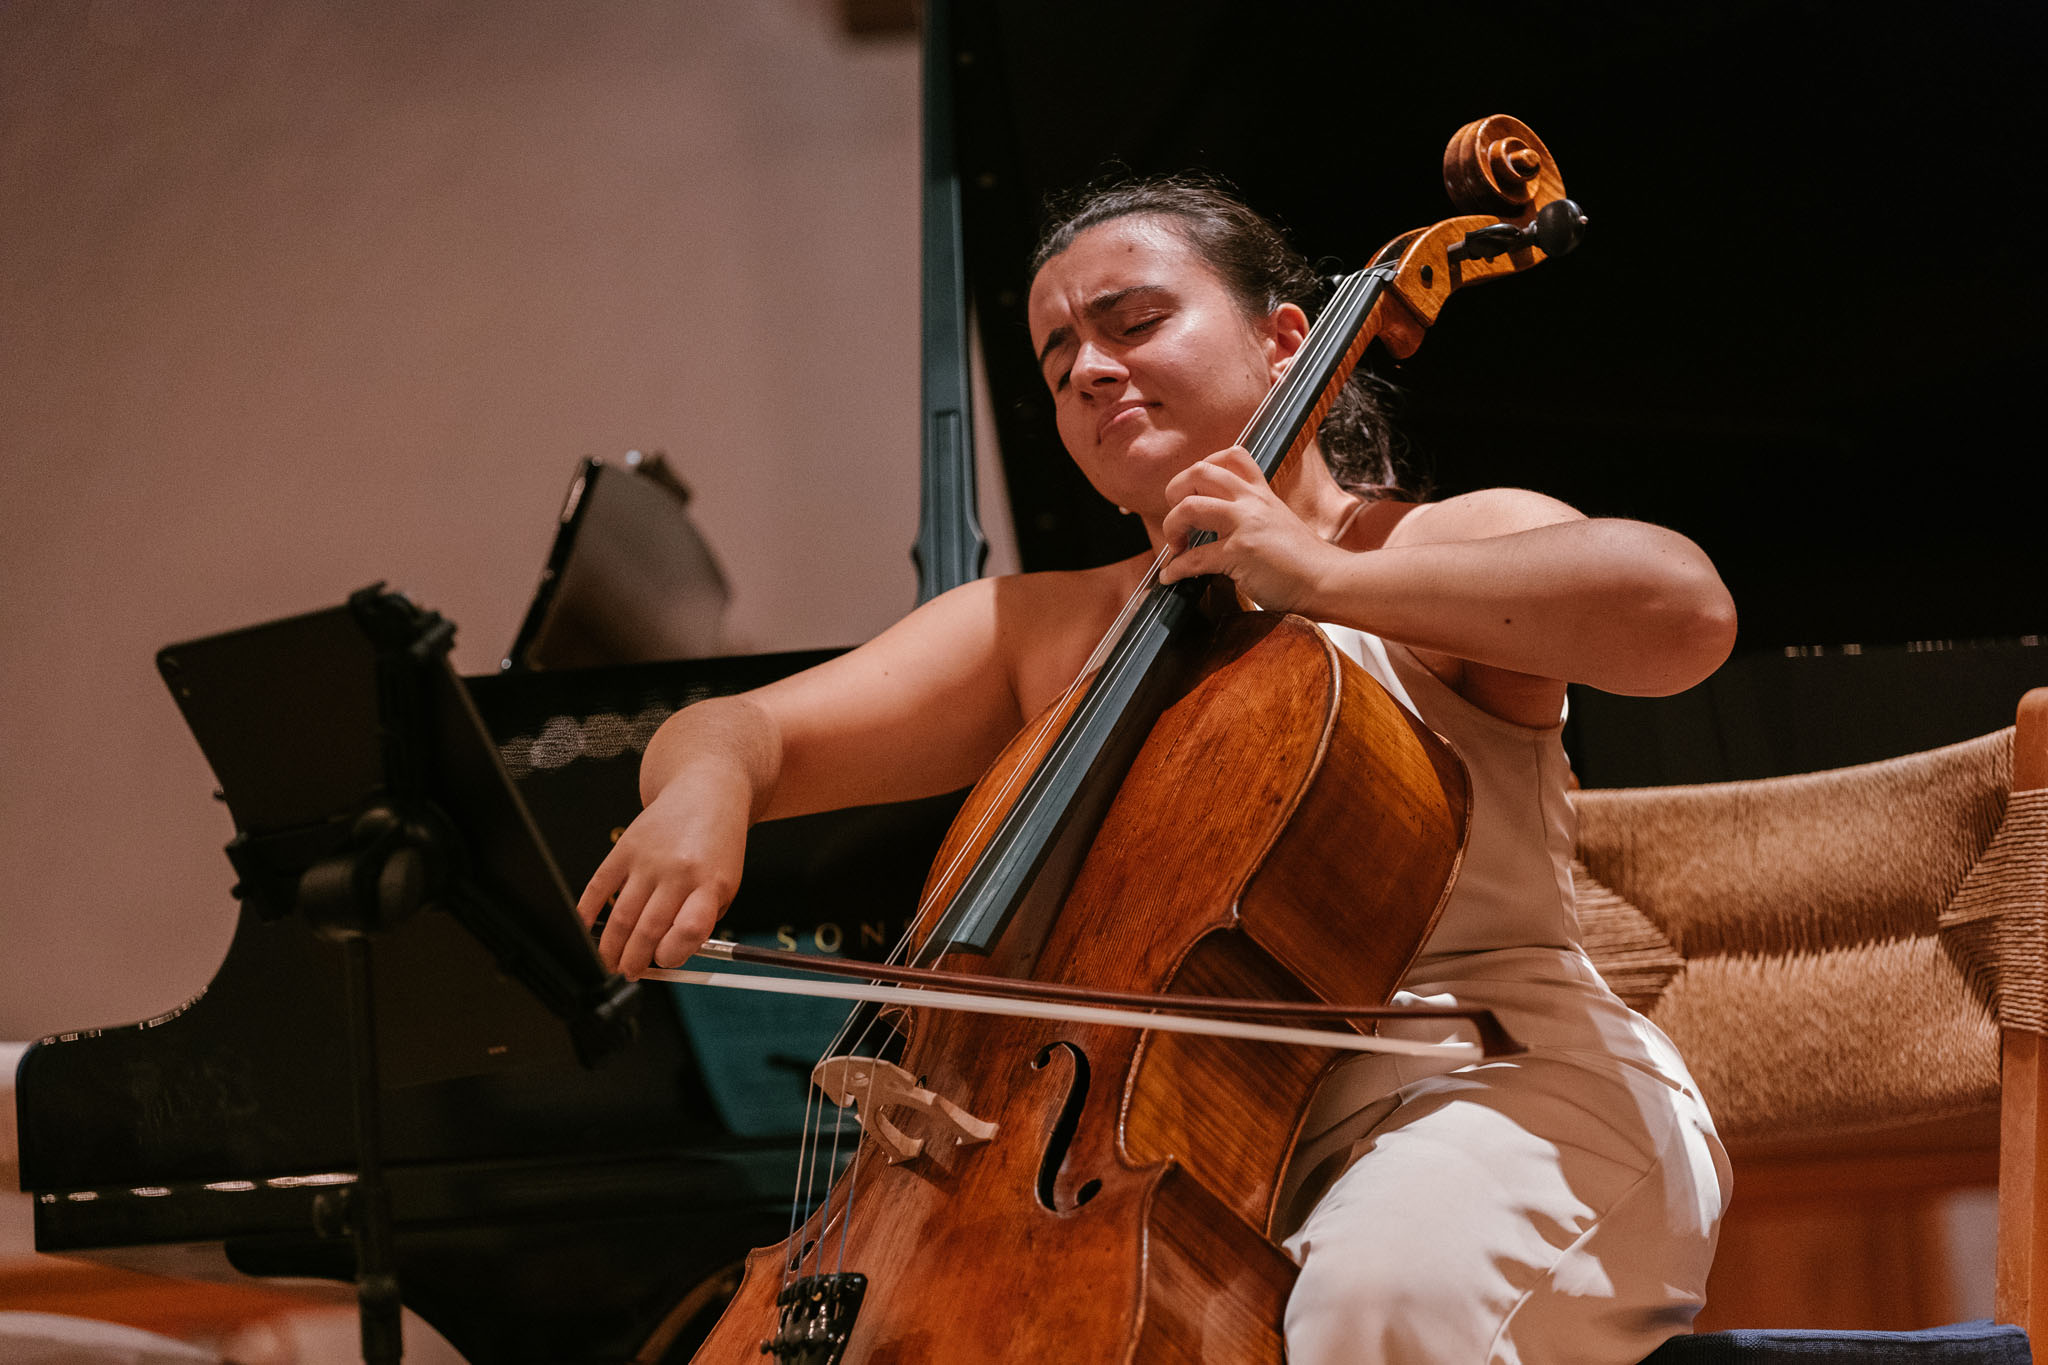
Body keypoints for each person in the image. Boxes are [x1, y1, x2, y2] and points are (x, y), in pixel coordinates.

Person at [577, 176, 1737, 1365]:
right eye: (1057, 360)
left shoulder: (1430, 547)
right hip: (1161, 1157)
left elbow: (1681, 614)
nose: (1089, 369)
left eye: (1132, 323)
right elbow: (737, 731)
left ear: (1284, 342)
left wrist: (1323, 579)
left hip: (1485, 1096)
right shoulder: (1042, 633)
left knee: (1366, 1310)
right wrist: (706, 791)